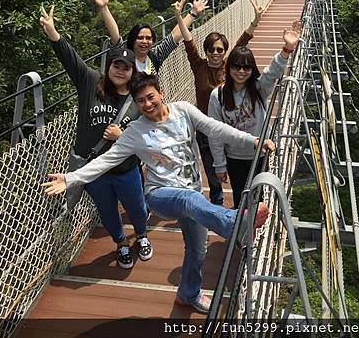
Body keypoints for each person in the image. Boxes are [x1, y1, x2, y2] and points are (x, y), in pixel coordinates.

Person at [42, 72, 275, 314]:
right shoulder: (135, 132)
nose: (147, 104)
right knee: (190, 200)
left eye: (150, 97)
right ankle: (234, 225)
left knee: (197, 249)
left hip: (192, 194)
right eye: (140, 101)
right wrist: (70, 178)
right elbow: (105, 161)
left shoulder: (183, 110)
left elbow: (215, 128)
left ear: (160, 93)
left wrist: (253, 141)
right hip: (161, 195)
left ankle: (188, 293)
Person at [40, 3, 152, 270]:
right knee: (107, 212)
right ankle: (121, 243)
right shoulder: (91, 82)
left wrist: (122, 134)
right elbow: (71, 60)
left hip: (125, 168)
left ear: (132, 72)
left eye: (126, 67)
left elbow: (148, 135)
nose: (120, 71)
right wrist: (54, 34)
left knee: (137, 207)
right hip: (94, 171)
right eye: (116, 65)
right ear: (108, 66)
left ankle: (143, 236)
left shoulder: (138, 99)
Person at [172, 0, 264, 205]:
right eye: (211, 49)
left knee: (232, 167)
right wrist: (180, 16)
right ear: (206, 51)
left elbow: (244, 40)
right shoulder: (199, 66)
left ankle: (241, 202)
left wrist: (256, 20)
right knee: (213, 169)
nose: (215, 52)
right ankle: (217, 199)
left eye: (220, 49)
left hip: (231, 123)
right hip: (205, 127)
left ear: (225, 53)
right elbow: (188, 41)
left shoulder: (230, 66)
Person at [207, 21, 301, 208]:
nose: (241, 72)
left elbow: (272, 72)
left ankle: (253, 232)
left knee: (258, 197)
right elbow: (214, 133)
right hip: (234, 157)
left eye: (247, 67)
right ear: (229, 68)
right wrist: (220, 164)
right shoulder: (218, 96)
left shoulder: (259, 89)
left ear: (252, 69)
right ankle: (243, 234)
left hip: (259, 154)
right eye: (236, 67)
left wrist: (287, 48)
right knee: (240, 197)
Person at [124, 0, 209, 75]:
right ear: (132, 40)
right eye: (140, 38)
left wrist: (193, 13)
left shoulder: (154, 57)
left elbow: (175, 36)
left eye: (148, 38)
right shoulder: (124, 59)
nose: (144, 41)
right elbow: (115, 38)